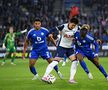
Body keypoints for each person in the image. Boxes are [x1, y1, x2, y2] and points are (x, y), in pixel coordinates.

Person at [42, 18, 86, 83]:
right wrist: (50, 34)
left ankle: (71, 79)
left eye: (74, 25)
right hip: (61, 47)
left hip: (70, 48)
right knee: (56, 62)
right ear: (69, 22)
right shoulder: (63, 26)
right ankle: (45, 76)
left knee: (75, 61)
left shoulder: (78, 28)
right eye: (72, 25)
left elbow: (84, 32)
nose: (73, 26)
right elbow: (52, 30)